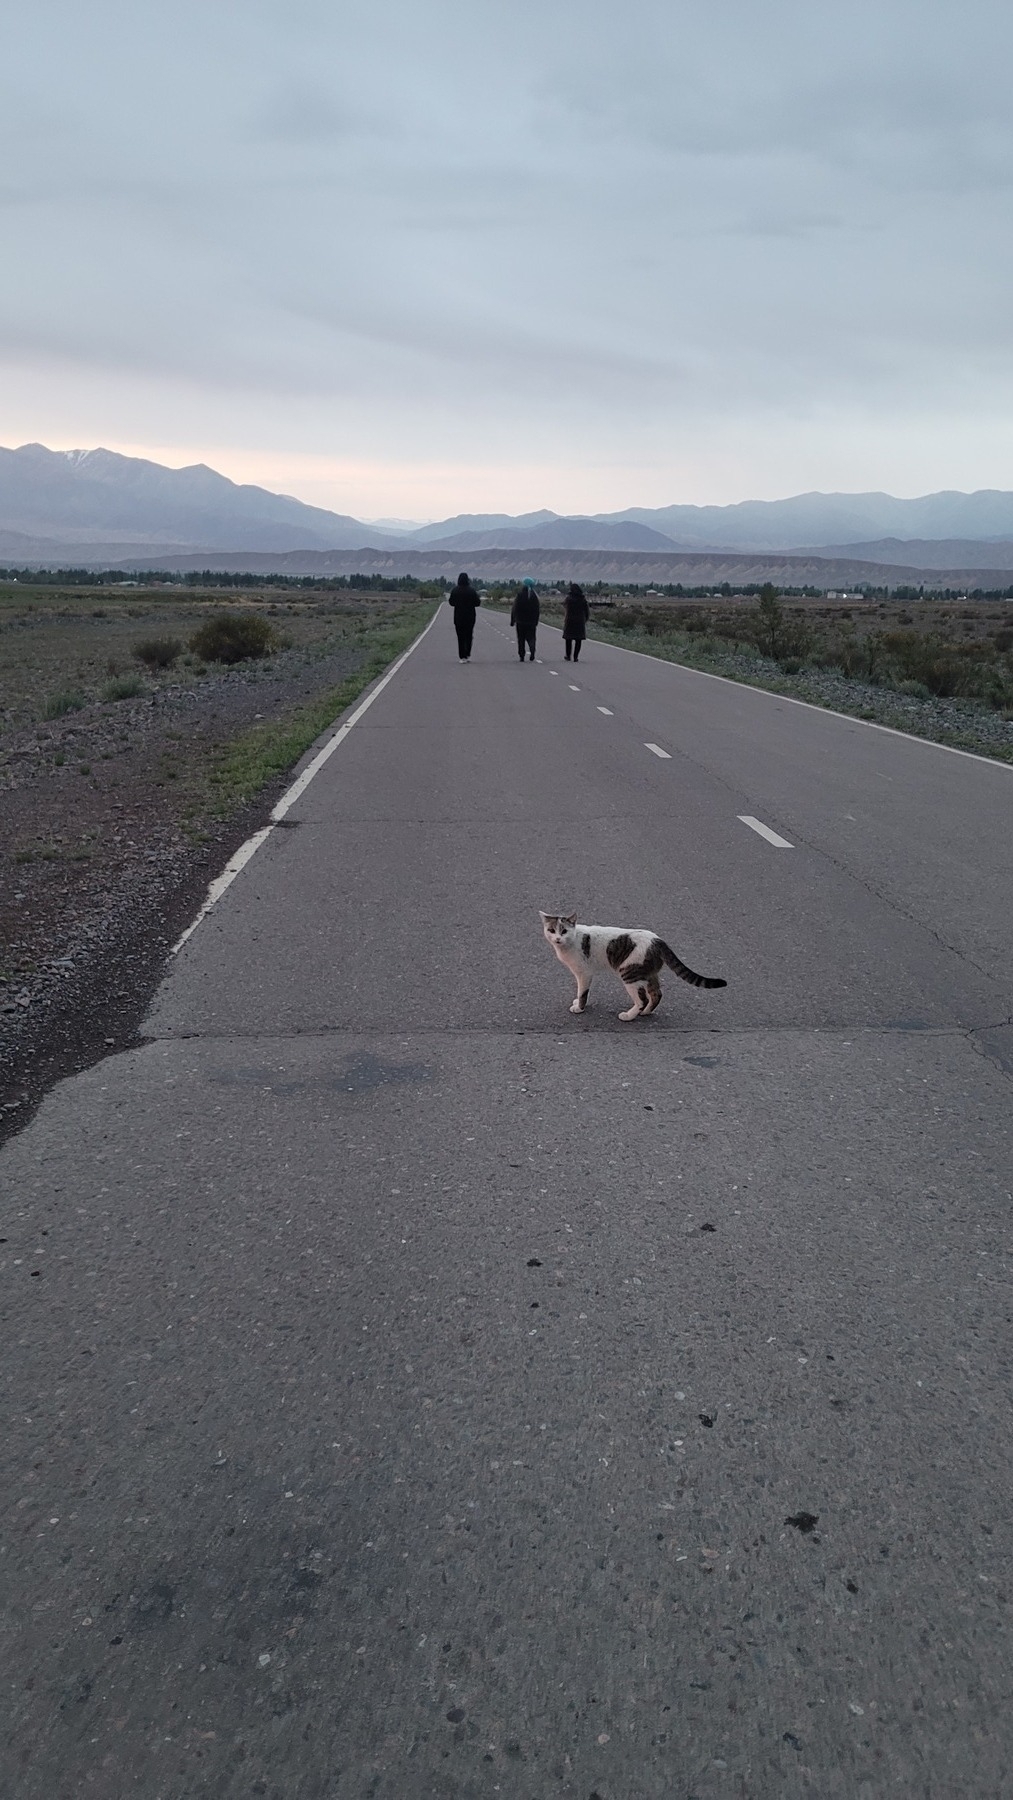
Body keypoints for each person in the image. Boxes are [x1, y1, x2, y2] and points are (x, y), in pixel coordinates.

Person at [447, 571, 480, 661]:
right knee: (469, 635)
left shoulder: (455, 590)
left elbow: (451, 602)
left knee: (460, 637)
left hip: (458, 617)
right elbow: (478, 603)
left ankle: (462, 656)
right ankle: (467, 653)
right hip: (470, 617)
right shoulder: (472, 591)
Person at [511, 579, 540, 661]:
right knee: (531, 637)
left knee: (521, 639)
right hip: (531, 622)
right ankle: (532, 649)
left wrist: (513, 620)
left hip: (520, 621)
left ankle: (521, 655)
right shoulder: (534, 596)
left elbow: (514, 608)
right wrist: (536, 621)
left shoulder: (519, 595)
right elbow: (537, 610)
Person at [563, 582, 589, 662]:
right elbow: (587, 611)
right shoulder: (582, 599)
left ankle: (568, 655)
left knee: (568, 639)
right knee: (578, 640)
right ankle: (575, 657)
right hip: (579, 621)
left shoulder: (569, 599)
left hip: (570, 620)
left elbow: (564, 605)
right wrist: (585, 619)